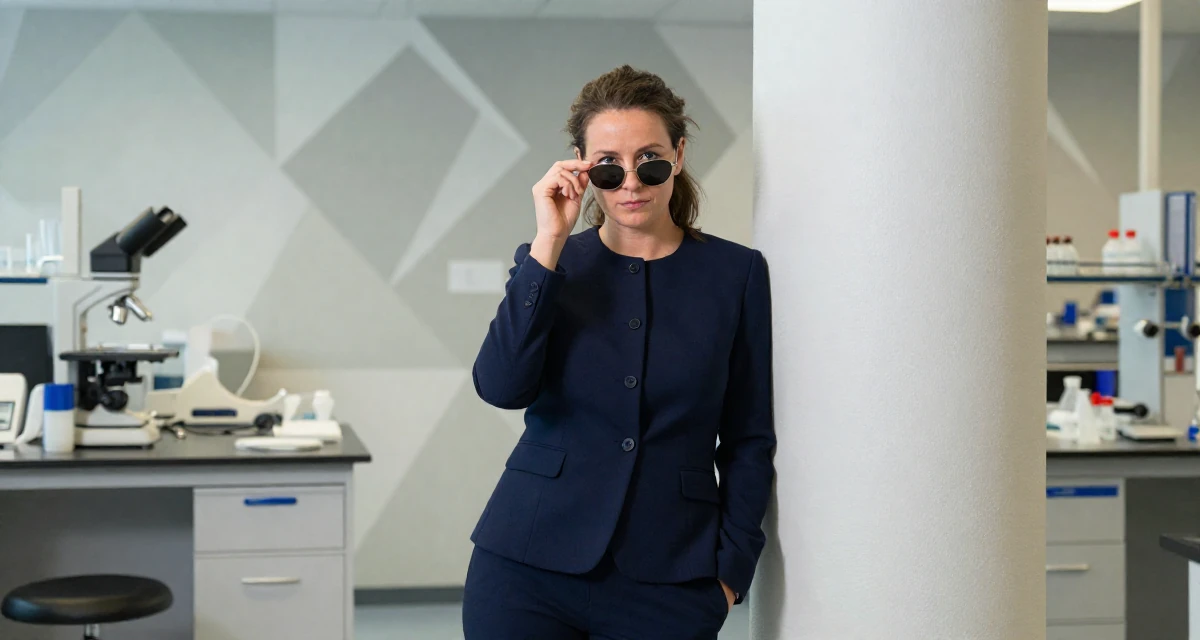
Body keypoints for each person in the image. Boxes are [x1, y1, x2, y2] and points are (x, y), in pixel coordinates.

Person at [463, 64, 775, 640]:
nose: (631, 182)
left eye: (650, 159)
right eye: (609, 165)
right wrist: (548, 242)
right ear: (582, 167)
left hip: (670, 576)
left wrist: (731, 571)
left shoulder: (736, 274)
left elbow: (749, 437)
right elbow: (501, 387)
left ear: (678, 157)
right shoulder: (552, 264)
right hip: (527, 568)